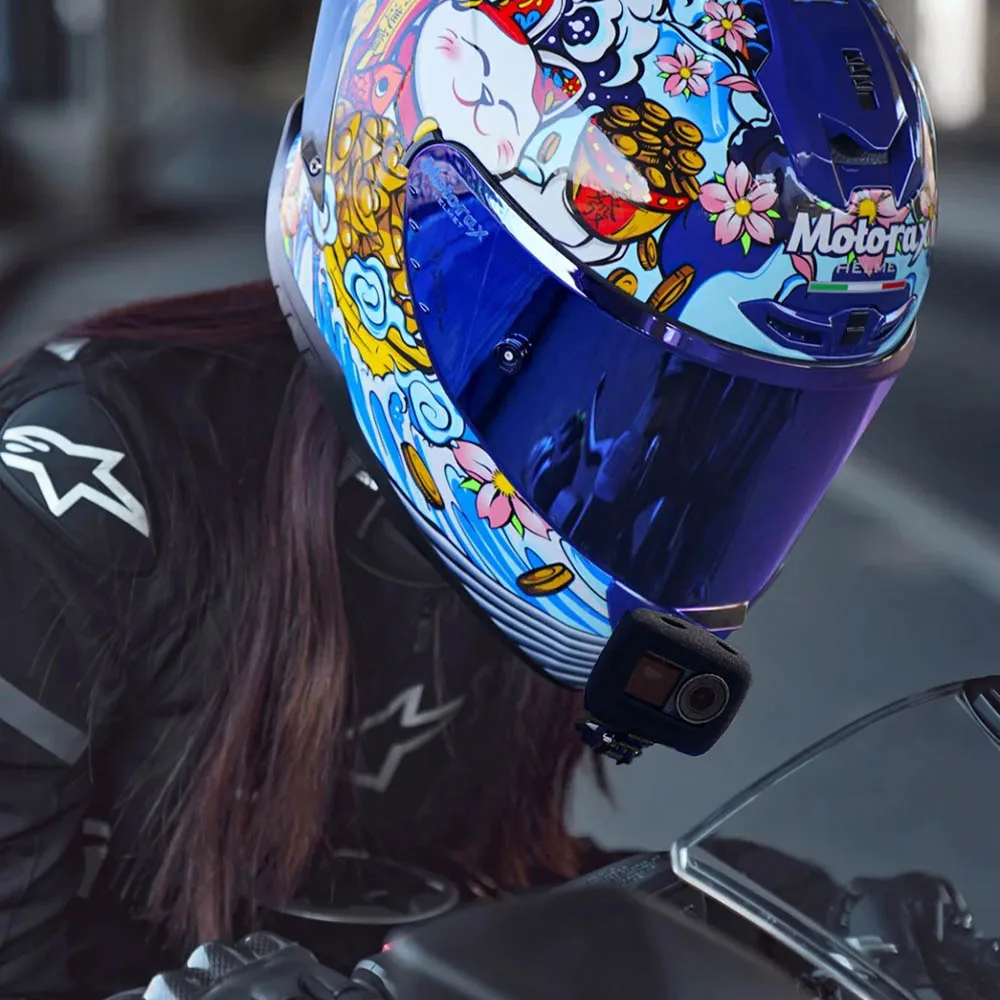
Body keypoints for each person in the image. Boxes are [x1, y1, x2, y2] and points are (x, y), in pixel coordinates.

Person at [0, 0, 936, 995]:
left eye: (722, 427)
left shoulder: (519, 536)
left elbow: (459, 902)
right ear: (428, 229)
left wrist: (778, 922)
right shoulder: (82, 484)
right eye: (607, 383)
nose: (637, 457)